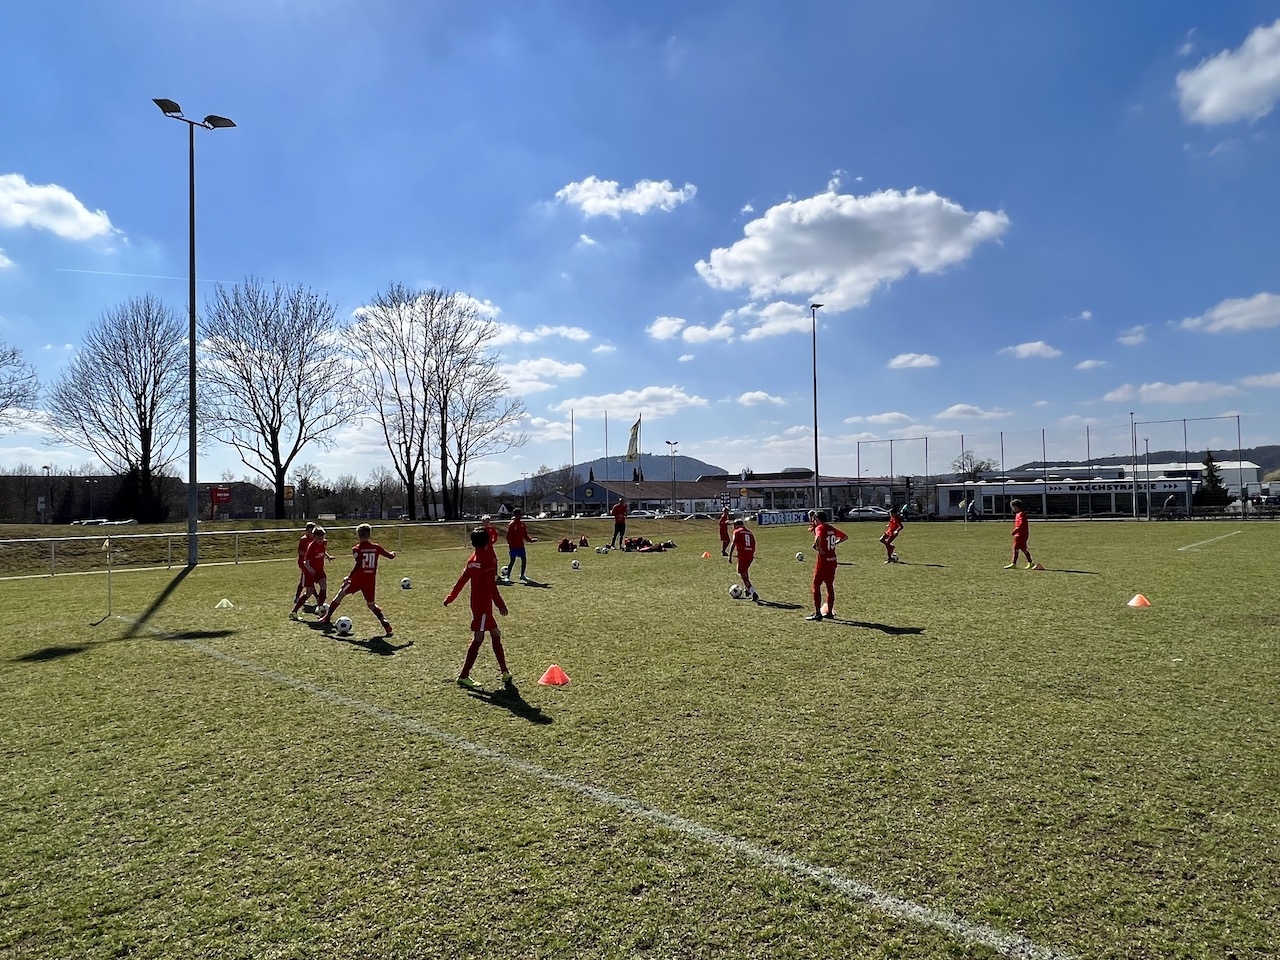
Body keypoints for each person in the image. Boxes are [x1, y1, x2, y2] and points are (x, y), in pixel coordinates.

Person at [446, 527, 513, 690]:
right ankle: (463, 676)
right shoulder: (486, 560)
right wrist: (501, 604)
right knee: (479, 638)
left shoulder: (472, 559)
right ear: (488, 542)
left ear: (472, 543)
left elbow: (462, 579)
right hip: (483, 606)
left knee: (495, 634)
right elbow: (491, 586)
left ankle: (505, 671)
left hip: (477, 604)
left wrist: (451, 596)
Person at [319, 523, 396, 636]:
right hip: (370, 580)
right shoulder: (376, 547)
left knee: (341, 594)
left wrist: (349, 577)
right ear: (369, 534)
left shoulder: (356, 549)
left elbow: (359, 564)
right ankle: (385, 623)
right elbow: (390, 556)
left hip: (358, 579)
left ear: (358, 535)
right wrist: (393, 554)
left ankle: (327, 617)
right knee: (371, 604)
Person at [807, 510, 848, 621]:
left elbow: (817, 539)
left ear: (818, 519)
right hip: (833, 560)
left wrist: (819, 548)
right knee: (829, 586)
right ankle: (829, 612)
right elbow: (844, 537)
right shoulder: (831, 528)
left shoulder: (819, 528)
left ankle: (817, 613)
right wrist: (835, 543)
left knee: (816, 585)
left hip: (823, 561)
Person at [291, 525, 334, 619]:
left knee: (323, 585)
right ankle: (294, 612)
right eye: (318, 538)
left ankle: (320, 607)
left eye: (322, 538)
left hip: (319, 570)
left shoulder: (324, 543)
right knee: (309, 592)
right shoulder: (311, 546)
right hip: (309, 572)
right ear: (314, 537)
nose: (320, 540)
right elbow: (305, 562)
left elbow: (323, 550)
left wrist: (328, 557)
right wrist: (310, 569)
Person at [728, 519, 758, 601]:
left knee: (742, 572)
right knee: (744, 571)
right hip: (750, 555)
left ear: (737, 525)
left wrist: (730, 556)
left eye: (734, 525)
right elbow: (753, 544)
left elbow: (733, 543)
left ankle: (752, 591)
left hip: (743, 555)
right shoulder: (749, 533)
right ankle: (746, 589)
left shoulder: (737, 531)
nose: (733, 527)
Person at [505, 507, 537, 582]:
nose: (520, 516)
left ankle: (522, 575)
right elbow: (508, 536)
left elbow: (524, 535)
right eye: (518, 514)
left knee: (524, 560)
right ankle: (507, 576)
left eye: (520, 514)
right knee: (512, 561)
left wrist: (530, 540)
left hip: (521, 546)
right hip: (513, 547)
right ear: (515, 515)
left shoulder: (522, 524)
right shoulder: (512, 524)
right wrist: (511, 545)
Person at [293, 521, 317, 610]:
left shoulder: (314, 539)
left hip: (311, 563)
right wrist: (308, 554)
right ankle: (317, 598)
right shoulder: (304, 539)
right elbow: (300, 551)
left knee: (305, 581)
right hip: (303, 562)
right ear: (307, 530)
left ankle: (297, 597)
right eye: (311, 530)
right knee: (308, 580)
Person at [1005, 499, 1035, 569]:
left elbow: (1021, 524)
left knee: (1015, 548)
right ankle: (1030, 562)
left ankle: (1014, 563)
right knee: (1023, 549)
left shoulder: (1021, 514)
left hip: (1020, 535)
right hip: (1021, 534)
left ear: (1016, 506)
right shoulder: (1018, 513)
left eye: (1013, 507)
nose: (1012, 509)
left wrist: (1015, 531)